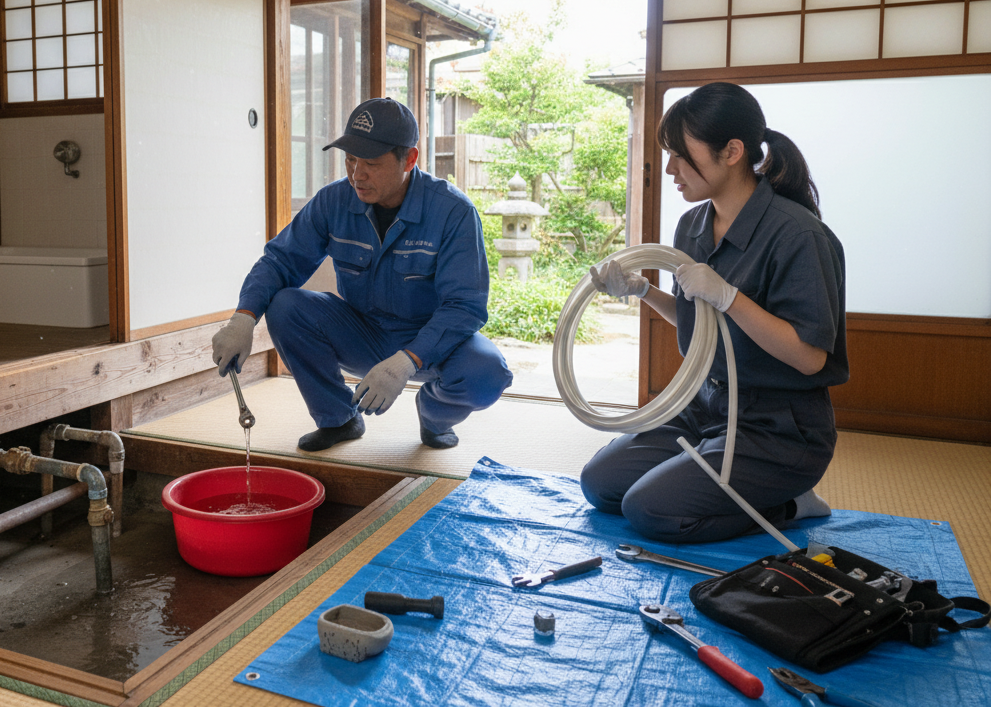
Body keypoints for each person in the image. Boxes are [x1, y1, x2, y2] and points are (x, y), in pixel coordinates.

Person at [581, 82, 847, 543]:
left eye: (682, 155)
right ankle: (705, 474)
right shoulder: (694, 225)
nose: (670, 168)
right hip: (705, 408)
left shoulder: (798, 235)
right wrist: (643, 290)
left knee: (650, 510)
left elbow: (809, 358)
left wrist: (730, 297)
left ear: (732, 152)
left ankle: (790, 503)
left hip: (778, 429)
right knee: (601, 483)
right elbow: (701, 325)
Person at [212, 97, 513, 452]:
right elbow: (280, 261)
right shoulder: (333, 202)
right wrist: (243, 318)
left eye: (371, 162)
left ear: (410, 159)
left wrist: (407, 362)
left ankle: (433, 415)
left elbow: (465, 306)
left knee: (488, 372)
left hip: (432, 343)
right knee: (285, 305)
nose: (357, 174)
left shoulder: (452, 212)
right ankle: (338, 418)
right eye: (350, 159)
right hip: (363, 332)